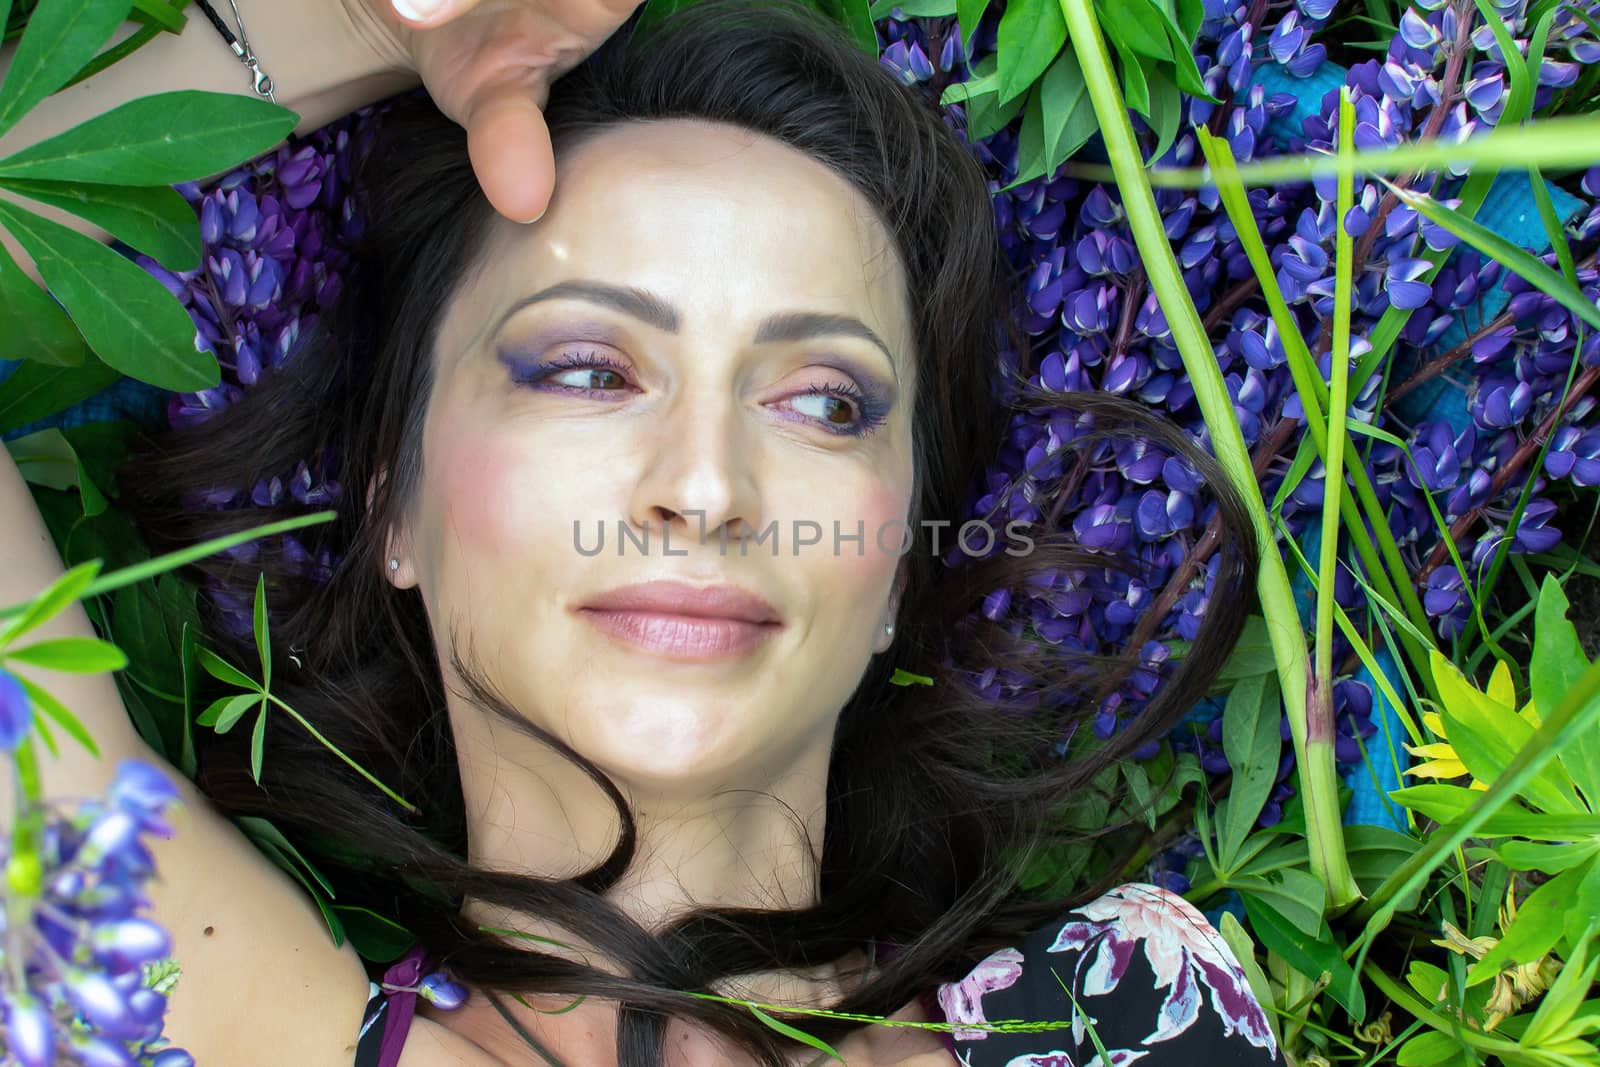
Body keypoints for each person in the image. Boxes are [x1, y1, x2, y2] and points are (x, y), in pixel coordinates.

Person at [0, 0, 1280, 1064]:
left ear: (898, 567)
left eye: (823, 400)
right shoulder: (157, 986)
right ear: (393, 503)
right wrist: (350, 18)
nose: (707, 485)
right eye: (584, 370)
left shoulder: (1127, 1014)